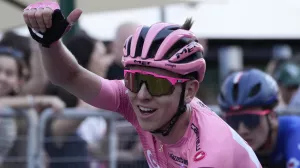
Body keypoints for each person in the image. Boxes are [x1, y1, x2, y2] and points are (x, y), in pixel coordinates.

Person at [22, 1, 261, 167]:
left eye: (158, 85)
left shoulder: (209, 152)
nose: (143, 95)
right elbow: (71, 77)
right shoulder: (133, 97)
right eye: (135, 80)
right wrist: (50, 43)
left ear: (189, 91)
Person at [218, 68, 300, 168]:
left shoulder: (295, 131)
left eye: (251, 119)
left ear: (272, 117)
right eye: (233, 121)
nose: (242, 130)